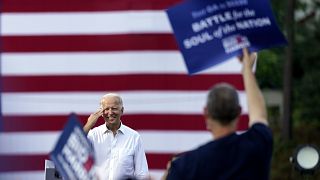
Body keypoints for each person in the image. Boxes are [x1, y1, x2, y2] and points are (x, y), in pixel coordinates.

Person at [165, 48, 273, 180]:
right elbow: (259, 115)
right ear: (239, 111)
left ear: (206, 113)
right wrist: (247, 70)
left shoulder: (185, 167)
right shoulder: (257, 145)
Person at [83, 93, 149, 180]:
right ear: (101, 112)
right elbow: (74, 149)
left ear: (122, 110)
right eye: (106, 109)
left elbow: (142, 174)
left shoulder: (134, 137)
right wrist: (89, 124)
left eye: (114, 108)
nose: (110, 112)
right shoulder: (93, 135)